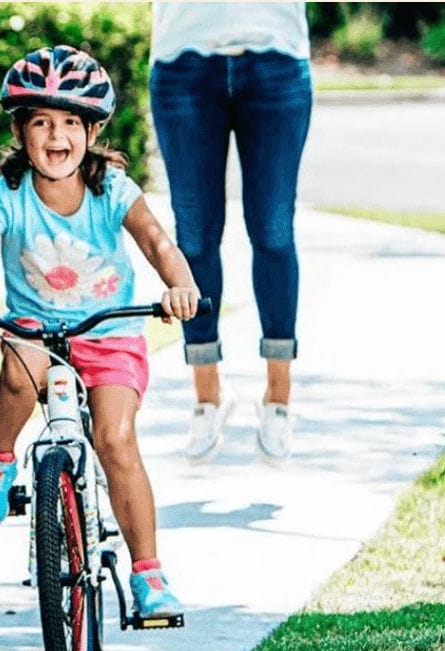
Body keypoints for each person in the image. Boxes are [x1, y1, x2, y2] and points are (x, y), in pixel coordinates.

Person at [0, 46, 201, 619]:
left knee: (116, 438)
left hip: (109, 331)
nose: (56, 135)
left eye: (71, 122)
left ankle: (149, 575)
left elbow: (157, 244)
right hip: (34, 330)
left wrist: (179, 285)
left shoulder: (112, 190)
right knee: (20, 373)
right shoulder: (7, 196)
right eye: (41, 121)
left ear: (92, 131)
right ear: (20, 131)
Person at [148, 2, 313, 462]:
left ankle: (278, 402)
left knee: (274, 233)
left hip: (276, 58)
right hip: (183, 62)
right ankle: (207, 398)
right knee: (196, 238)